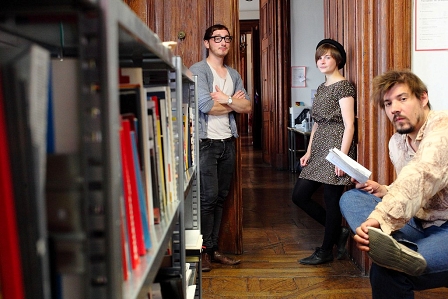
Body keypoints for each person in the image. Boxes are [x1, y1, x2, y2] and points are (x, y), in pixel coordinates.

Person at [340, 70, 448, 299]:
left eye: (402, 99)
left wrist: (379, 219)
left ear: (423, 98)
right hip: (419, 223)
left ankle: (396, 249)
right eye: (388, 103)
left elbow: (422, 175)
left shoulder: (443, 129)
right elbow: (413, 189)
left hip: (445, 227)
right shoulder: (397, 142)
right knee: (351, 198)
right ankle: (395, 246)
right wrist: (384, 190)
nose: (394, 109)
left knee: (388, 271)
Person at [189, 24, 251, 272]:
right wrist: (234, 103)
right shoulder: (199, 70)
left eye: (227, 38)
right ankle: (203, 251)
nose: (223, 42)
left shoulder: (233, 74)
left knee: (221, 197)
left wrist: (225, 99)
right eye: (217, 38)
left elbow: (247, 107)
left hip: (228, 142)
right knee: (208, 199)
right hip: (206, 143)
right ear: (207, 43)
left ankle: (214, 250)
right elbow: (205, 106)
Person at [291, 39, 356, 265]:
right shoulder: (321, 87)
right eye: (320, 57)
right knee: (299, 196)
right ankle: (338, 233)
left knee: (331, 199)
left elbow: (349, 125)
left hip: (337, 147)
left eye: (328, 56)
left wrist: (343, 159)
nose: (322, 60)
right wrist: (308, 150)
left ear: (338, 60)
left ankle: (326, 250)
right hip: (318, 148)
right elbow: (317, 123)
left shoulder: (344, 86)